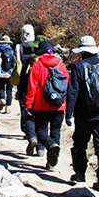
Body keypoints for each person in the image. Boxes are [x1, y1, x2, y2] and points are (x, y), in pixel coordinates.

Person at [66, 35, 99, 191]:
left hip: (83, 114)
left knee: (80, 143)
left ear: (81, 51)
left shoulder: (78, 67)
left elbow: (73, 92)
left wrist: (69, 113)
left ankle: (79, 173)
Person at [26, 39, 69, 170]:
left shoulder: (38, 65)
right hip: (59, 105)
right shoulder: (61, 65)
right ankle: (51, 163)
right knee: (55, 131)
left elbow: (32, 87)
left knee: (40, 131)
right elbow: (66, 85)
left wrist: (28, 105)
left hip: (41, 105)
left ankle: (50, 146)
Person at [16, 24, 41, 151]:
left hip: (24, 82)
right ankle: (38, 140)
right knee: (38, 110)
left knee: (25, 107)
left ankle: (28, 133)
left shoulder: (18, 47)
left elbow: (18, 66)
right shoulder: (37, 46)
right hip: (37, 81)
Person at [0, 35, 16, 113]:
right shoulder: (11, 50)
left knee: (1, 87)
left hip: (1, 72)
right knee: (9, 90)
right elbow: (14, 61)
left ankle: (2, 99)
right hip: (10, 72)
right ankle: (8, 106)